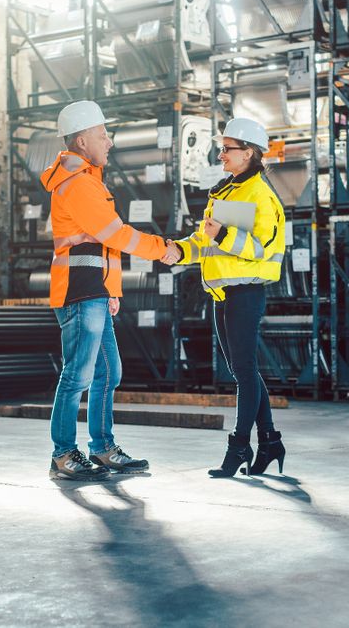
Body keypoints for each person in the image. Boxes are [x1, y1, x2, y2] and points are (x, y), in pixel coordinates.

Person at [42, 100, 182, 481]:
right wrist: (163, 248)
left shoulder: (89, 180)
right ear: (83, 141)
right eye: (104, 135)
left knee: (109, 373)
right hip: (79, 293)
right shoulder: (78, 184)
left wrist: (112, 289)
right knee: (78, 375)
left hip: (95, 293)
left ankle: (102, 448)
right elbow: (115, 236)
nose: (111, 142)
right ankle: (63, 455)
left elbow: (100, 247)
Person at [162, 117, 286, 478]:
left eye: (227, 148)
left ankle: (239, 446)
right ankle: (271, 442)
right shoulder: (226, 191)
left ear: (249, 153)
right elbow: (206, 242)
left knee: (244, 371)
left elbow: (262, 249)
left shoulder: (260, 195)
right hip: (221, 293)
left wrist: (223, 235)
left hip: (246, 291)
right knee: (241, 370)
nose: (221, 155)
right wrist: (179, 251)